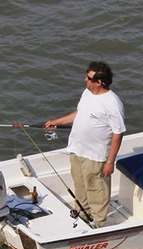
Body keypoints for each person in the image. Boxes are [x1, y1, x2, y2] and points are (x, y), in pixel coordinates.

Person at [45, 61, 126, 227]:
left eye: (89, 78)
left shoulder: (113, 103)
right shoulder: (87, 93)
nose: (85, 80)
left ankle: (100, 224)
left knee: (97, 191)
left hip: (96, 156)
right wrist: (57, 122)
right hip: (77, 150)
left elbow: (118, 133)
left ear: (100, 82)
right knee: (80, 187)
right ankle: (82, 216)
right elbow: (79, 114)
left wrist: (110, 162)